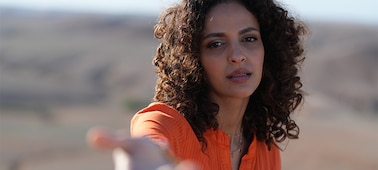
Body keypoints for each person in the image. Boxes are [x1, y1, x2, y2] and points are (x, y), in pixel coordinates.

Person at [87, 0, 307, 169]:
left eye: (249, 39)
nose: (237, 56)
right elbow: (151, 140)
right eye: (216, 44)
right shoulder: (166, 123)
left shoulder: (264, 147)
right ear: (193, 59)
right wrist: (151, 159)